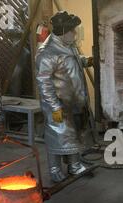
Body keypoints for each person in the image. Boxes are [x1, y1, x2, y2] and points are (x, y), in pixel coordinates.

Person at [36, 11, 93, 183]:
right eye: (72, 31)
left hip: (73, 101)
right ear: (63, 31)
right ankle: (54, 169)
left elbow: (71, 63)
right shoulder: (47, 52)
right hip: (58, 104)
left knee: (73, 134)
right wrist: (54, 107)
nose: (75, 34)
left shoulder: (68, 45)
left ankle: (74, 165)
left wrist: (85, 61)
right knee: (57, 135)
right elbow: (43, 82)